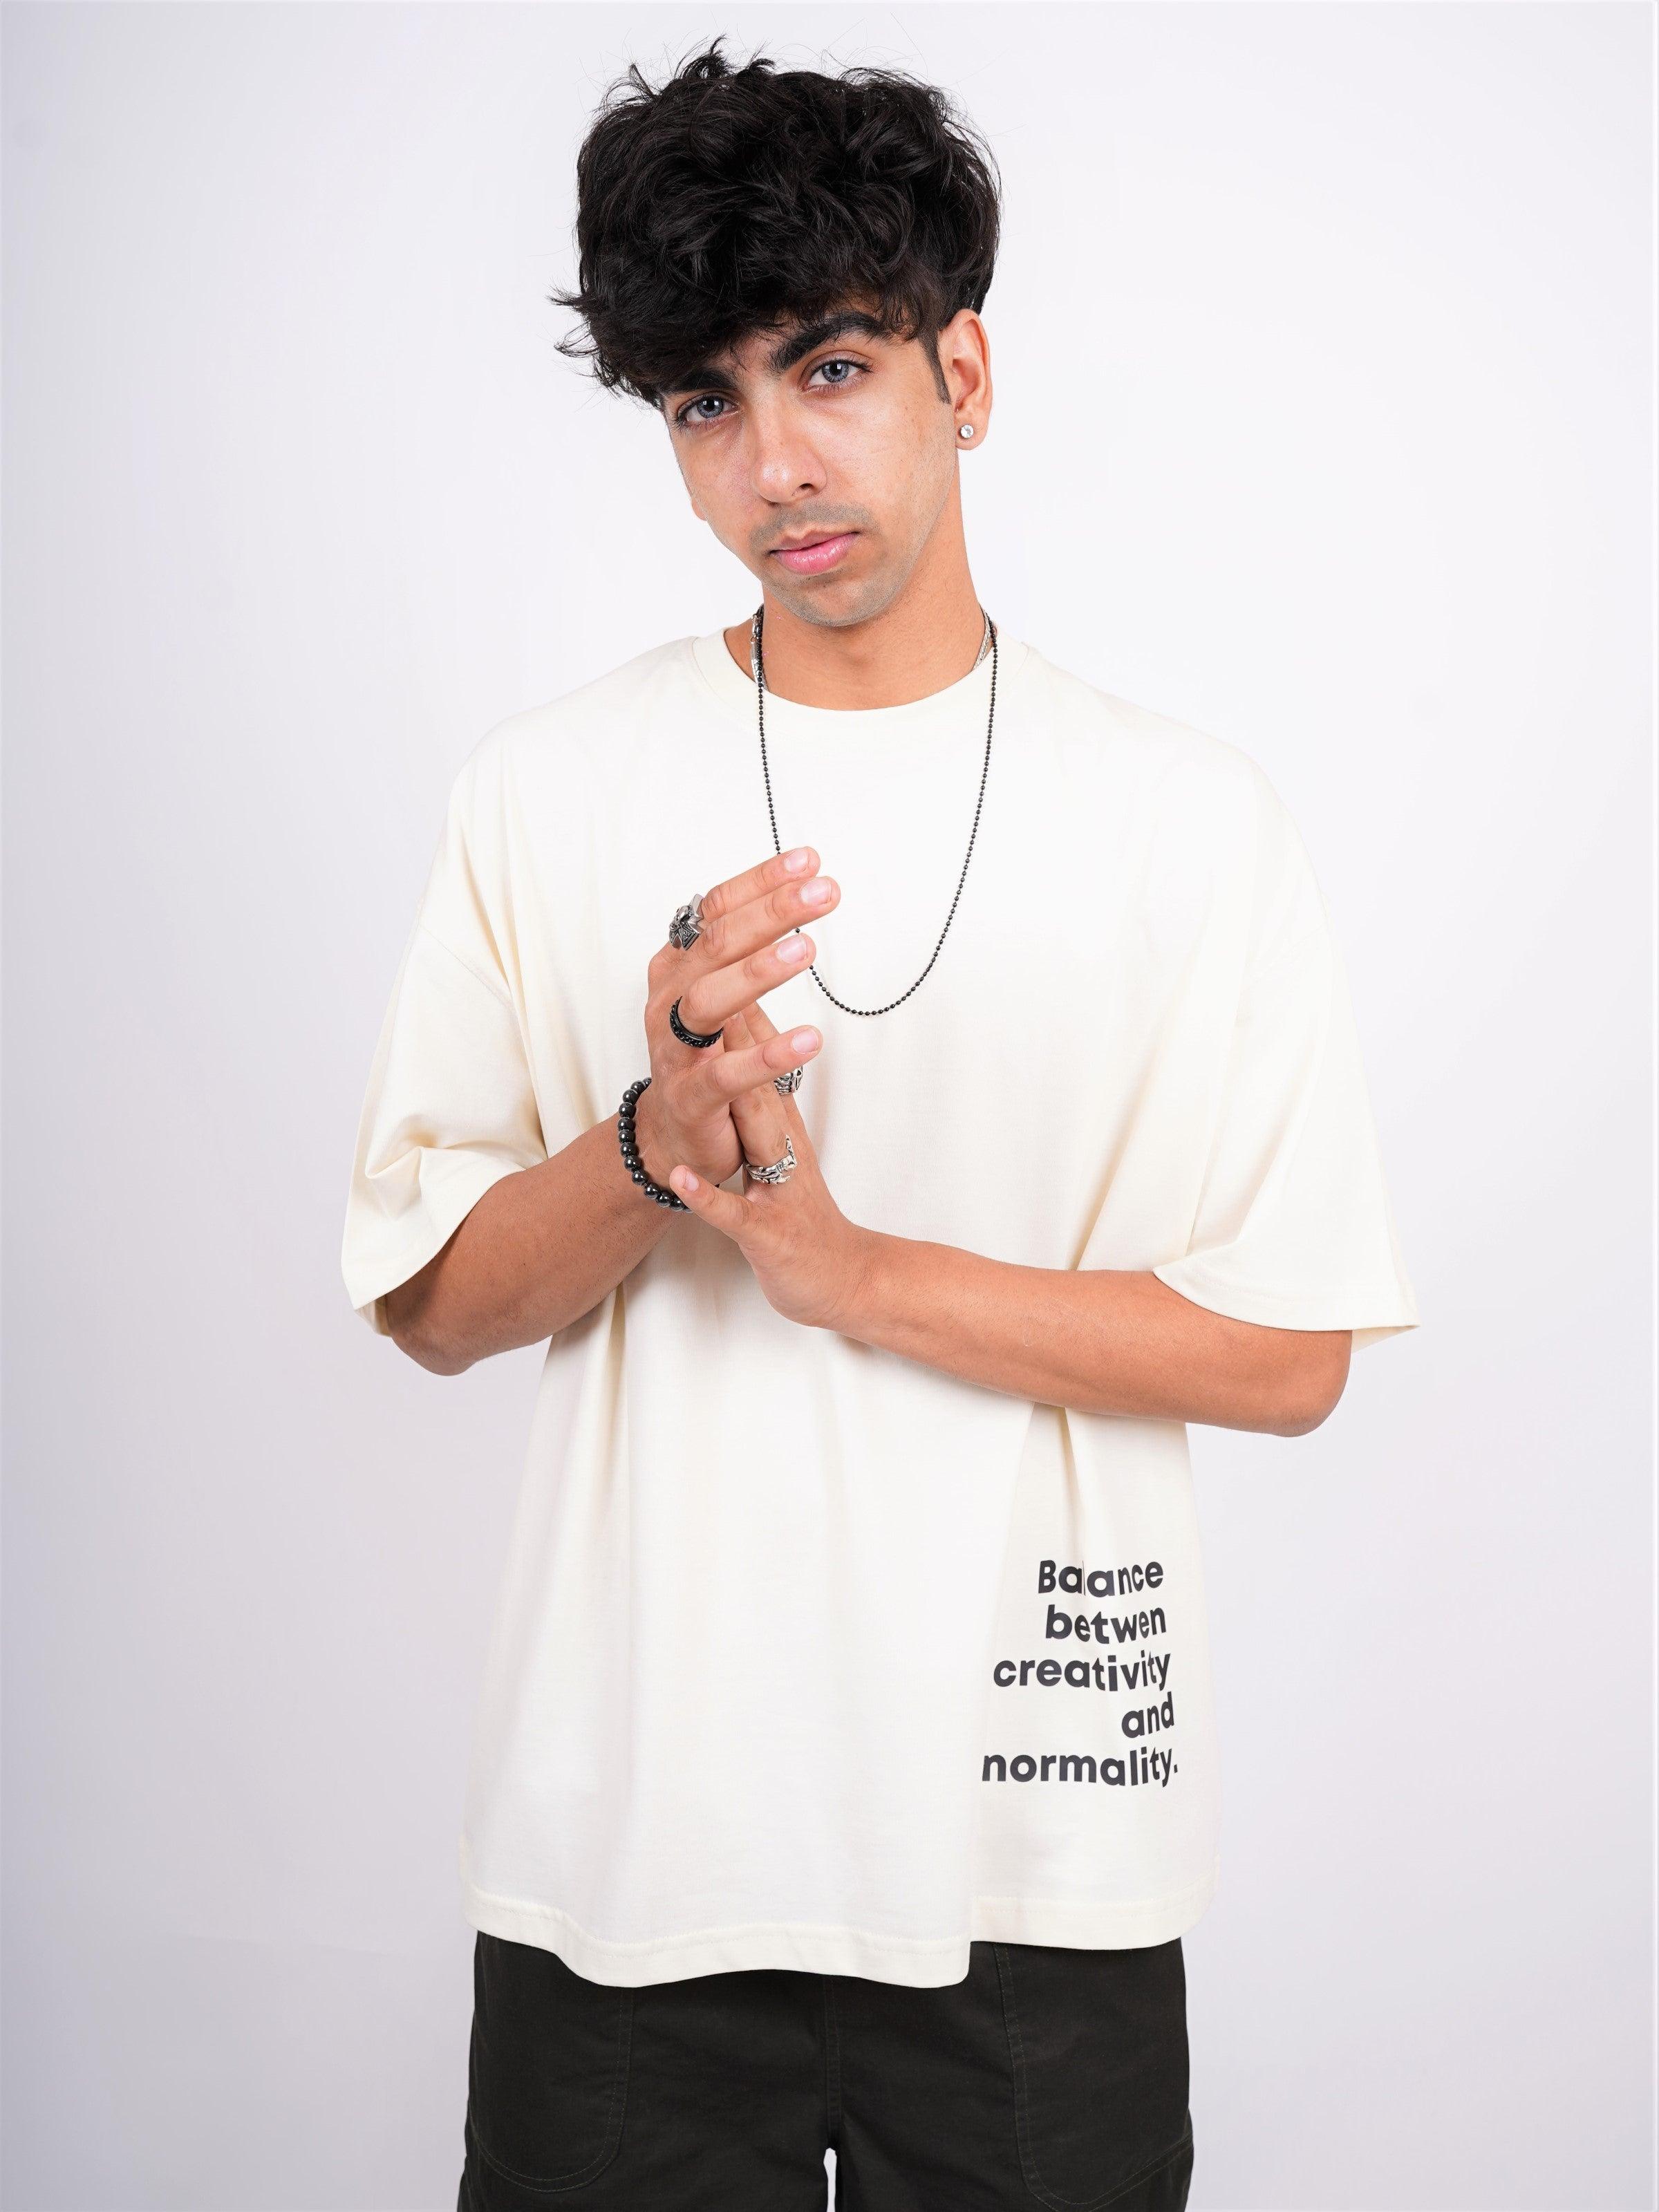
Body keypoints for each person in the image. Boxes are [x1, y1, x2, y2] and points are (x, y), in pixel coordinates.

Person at [340, 37, 1419, 2212]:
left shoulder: (1187, 824)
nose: (775, 465)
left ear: (965, 374)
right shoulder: (545, 792)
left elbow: (1288, 1353)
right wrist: (653, 1145)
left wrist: (850, 1274)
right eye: (703, 403)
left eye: (831, 368)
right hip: (632, 1847)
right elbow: (433, 1308)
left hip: (1038, 1838)